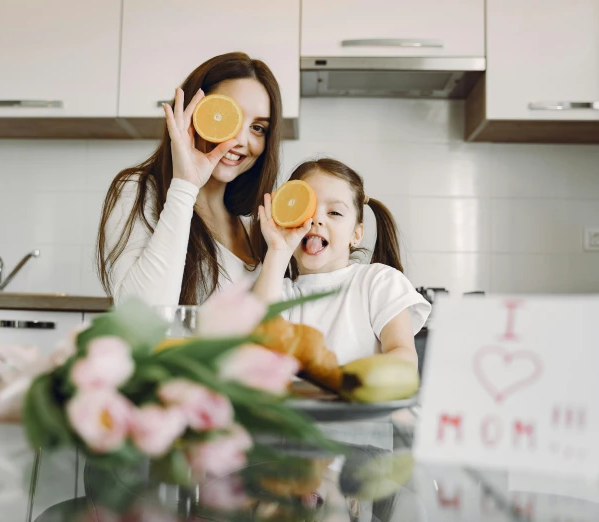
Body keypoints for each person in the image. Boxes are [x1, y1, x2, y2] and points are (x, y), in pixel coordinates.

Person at [96, 52, 283, 306]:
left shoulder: (253, 226)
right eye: (226, 117)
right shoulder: (138, 192)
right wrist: (185, 185)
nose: (240, 140)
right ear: (191, 114)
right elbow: (143, 317)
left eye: (258, 128)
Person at [253, 158, 431, 367]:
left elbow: (404, 355)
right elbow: (257, 347)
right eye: (305, 209)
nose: (316, 220)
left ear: (356, 235)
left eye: (334, 212)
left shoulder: (379, 282)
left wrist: (345, 379)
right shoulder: (280, 292)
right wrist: (278, 250)